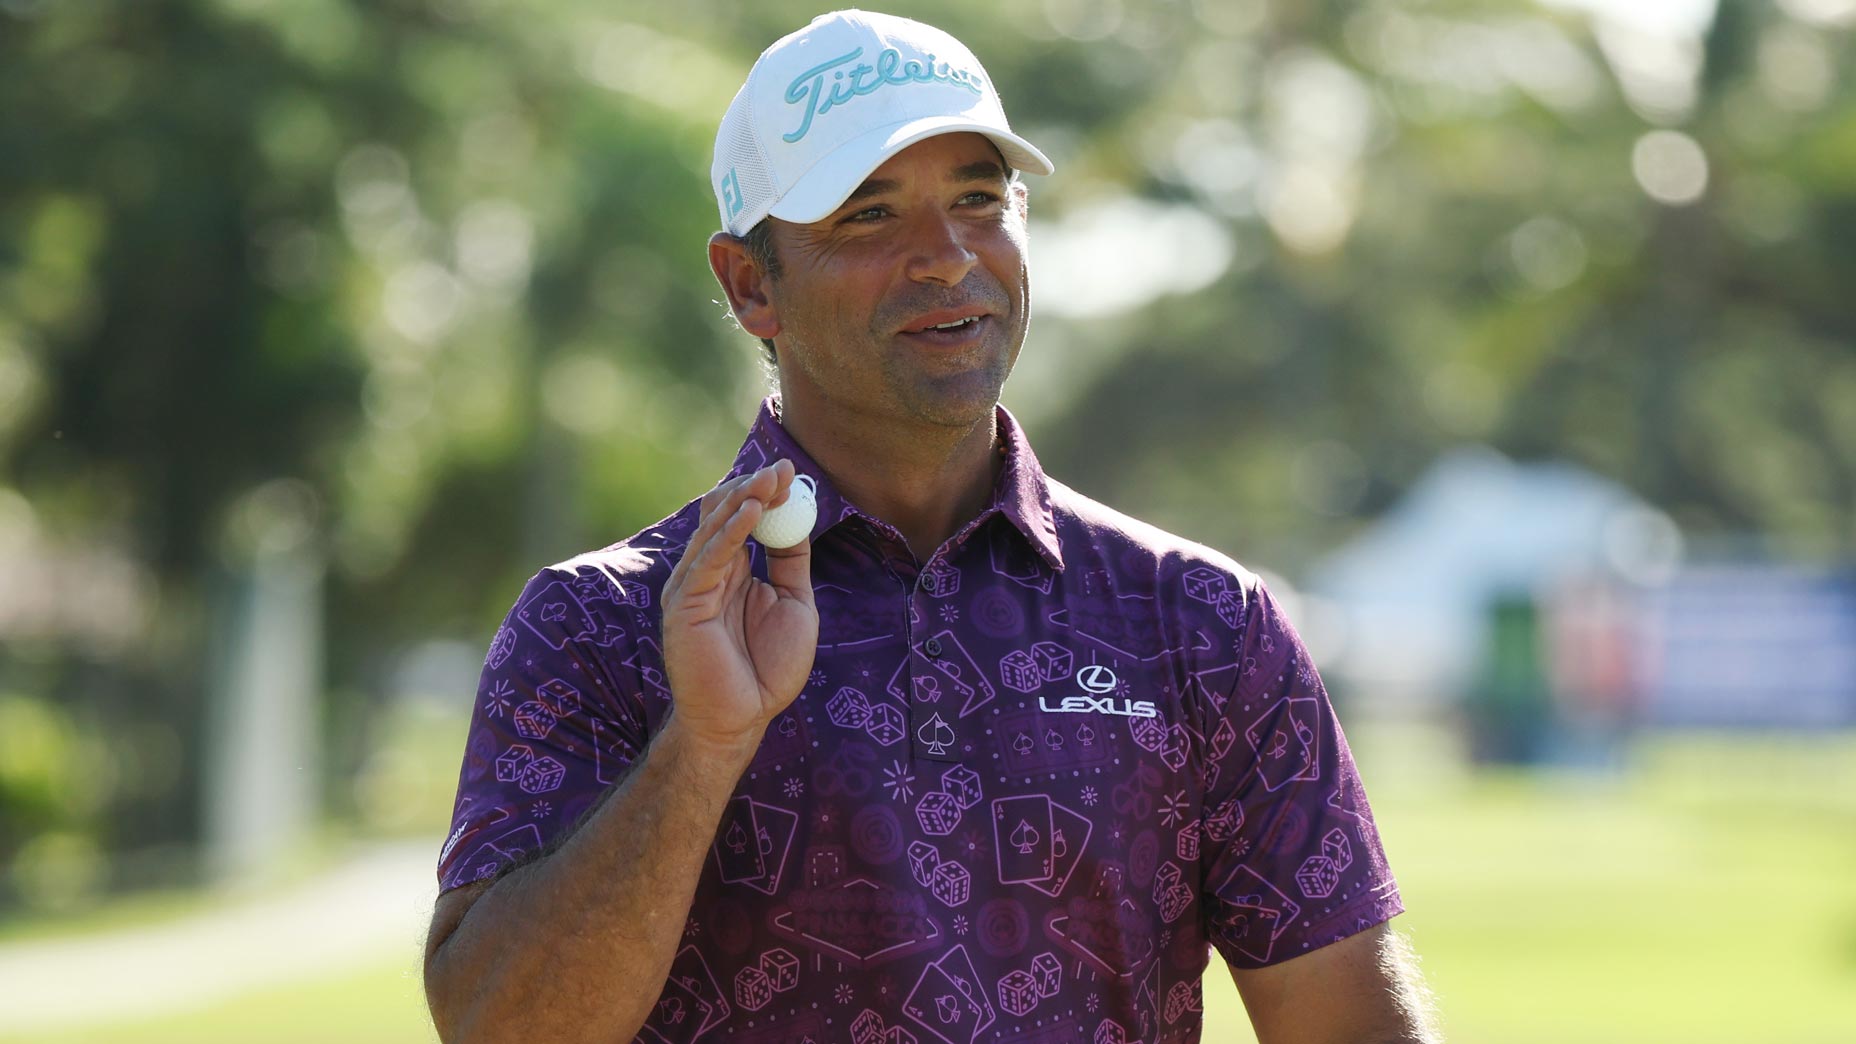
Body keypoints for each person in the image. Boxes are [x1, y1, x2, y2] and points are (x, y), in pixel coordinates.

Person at [423, 10, 1438, 1044]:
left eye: (977, 200)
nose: (946, 258)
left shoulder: (1199, 622)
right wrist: (702, 750)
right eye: (868, 217)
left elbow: (1348, 1022)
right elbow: (499, 1029)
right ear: (747, 285)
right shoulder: (597, 626)